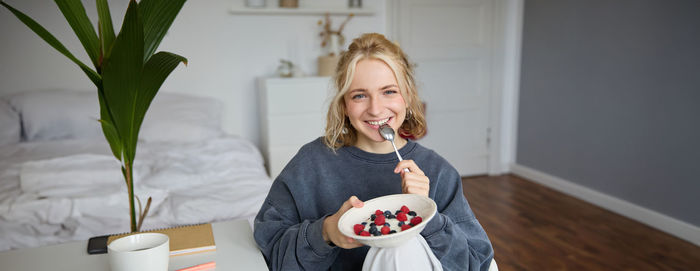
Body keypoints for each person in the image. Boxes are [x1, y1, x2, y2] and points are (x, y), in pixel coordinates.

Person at [254, 33, 493, 270]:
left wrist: (426, 214)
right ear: (344, 106)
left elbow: (476, 263)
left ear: (407, 96)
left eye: (389, 91)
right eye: (359, 95)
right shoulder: (310, 164)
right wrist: (326, 232)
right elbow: (268, 252)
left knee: (401, 248)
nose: (376, 109)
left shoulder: (438, 172)